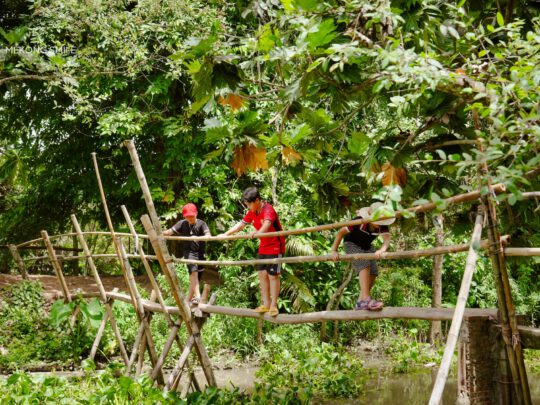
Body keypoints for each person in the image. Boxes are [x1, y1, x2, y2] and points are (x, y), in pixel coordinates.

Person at [219, 187, 285, 317]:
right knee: (261, 274)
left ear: (257, 200)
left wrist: (257, 233)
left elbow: (266, 225)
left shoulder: (268, 209)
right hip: (264, 245)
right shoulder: (253, 212)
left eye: (249, 204)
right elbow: (241, 225)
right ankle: (266, 304)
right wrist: (225, 234)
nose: (248, 207)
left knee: (273, 275)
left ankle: (273, 305)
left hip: (276, 245)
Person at [330, 202, 394, 311]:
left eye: (382, 220)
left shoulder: (382, 226)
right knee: (364, 265)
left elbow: (387, 239)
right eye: (377, 220)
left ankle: (361, 302)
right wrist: (333, 250)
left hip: (367, 246)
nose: (380, 223)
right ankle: (366, 299)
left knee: (373, 272)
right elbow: (341, 232)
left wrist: (382, 249)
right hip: (351, 244)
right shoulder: (358, 221)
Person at [163, 203, 211, 306]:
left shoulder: (202, 224)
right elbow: (170, 232)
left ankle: (188, 300)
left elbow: (208, 235)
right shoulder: (182, 223)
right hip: (189, 253)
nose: (189, 218)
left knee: (196, 278)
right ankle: (198, 297)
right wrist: (160, 232)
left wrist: (199, 238)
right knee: (193, 273)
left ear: (196, 214)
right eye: (187, 216)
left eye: (191, 216)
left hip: (200, 254)